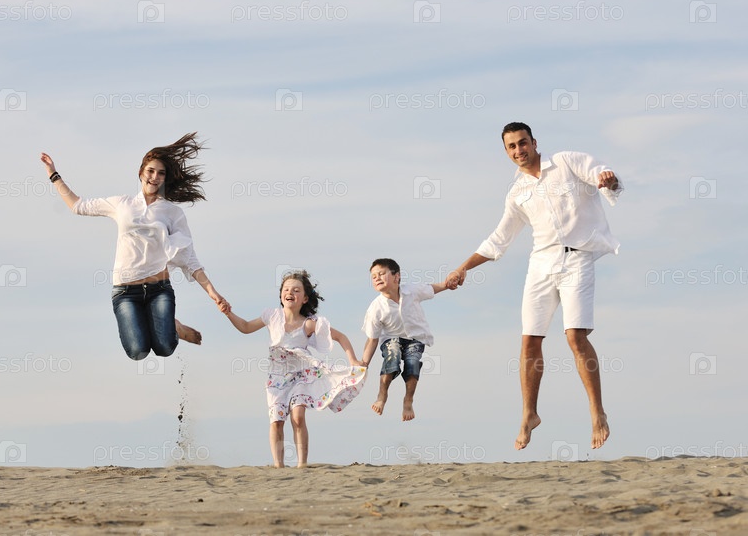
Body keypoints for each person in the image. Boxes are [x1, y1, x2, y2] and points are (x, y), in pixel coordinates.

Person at [447, 121, 623, 451]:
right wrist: (463, 268)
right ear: (506, 152)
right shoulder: (517, 193)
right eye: (512, 146)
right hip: (540, 264)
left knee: (575, 336)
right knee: (529, 341)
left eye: (523, 142)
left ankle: (597, 412)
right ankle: (530, 414)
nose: (519, 150)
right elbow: (499, 239)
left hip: (577, 259)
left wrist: (609, 181)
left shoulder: (566, 162)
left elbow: (602, 173)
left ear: (534, 142)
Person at [40, 133, 230, 361]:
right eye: (151, 171)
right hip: (125, 292)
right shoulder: (122, 204)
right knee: (137, 351)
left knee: (165, 348)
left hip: (159, 289)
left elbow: (190, 260)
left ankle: (174, 327)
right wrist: (53, 175)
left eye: (161, 173)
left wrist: (213, 293)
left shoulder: (172, 213)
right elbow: (78, 206)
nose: (155, 177)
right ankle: (165, 324)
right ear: (141, 172)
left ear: (165, 178)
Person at [223, 270, 366, 468]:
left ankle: (301, 465)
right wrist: (228, 313)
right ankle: (278, 466)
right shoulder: (271, 316)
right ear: (281, 295)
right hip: (276, 377)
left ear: (305, 298)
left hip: (301, 376)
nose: (290, 292)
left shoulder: (309, 324)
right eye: (286, 289)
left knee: (298, 417)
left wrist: (353, 359)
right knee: (277, 421)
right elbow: (246, 327)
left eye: (296, 290)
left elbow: (341, 337)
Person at [361, 258, 451, 422]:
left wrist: (447, 284)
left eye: (381, 274)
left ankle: (408, 400)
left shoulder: (412, 291)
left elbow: (431, 288)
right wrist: (364, 364)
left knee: (412, 363)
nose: (377, 278)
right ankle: (382, 395)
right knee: (393, 354)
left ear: (397, 276)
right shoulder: (376, 308)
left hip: (415, 338)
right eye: (373, 277)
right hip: (391, 338)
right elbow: (372, 340)